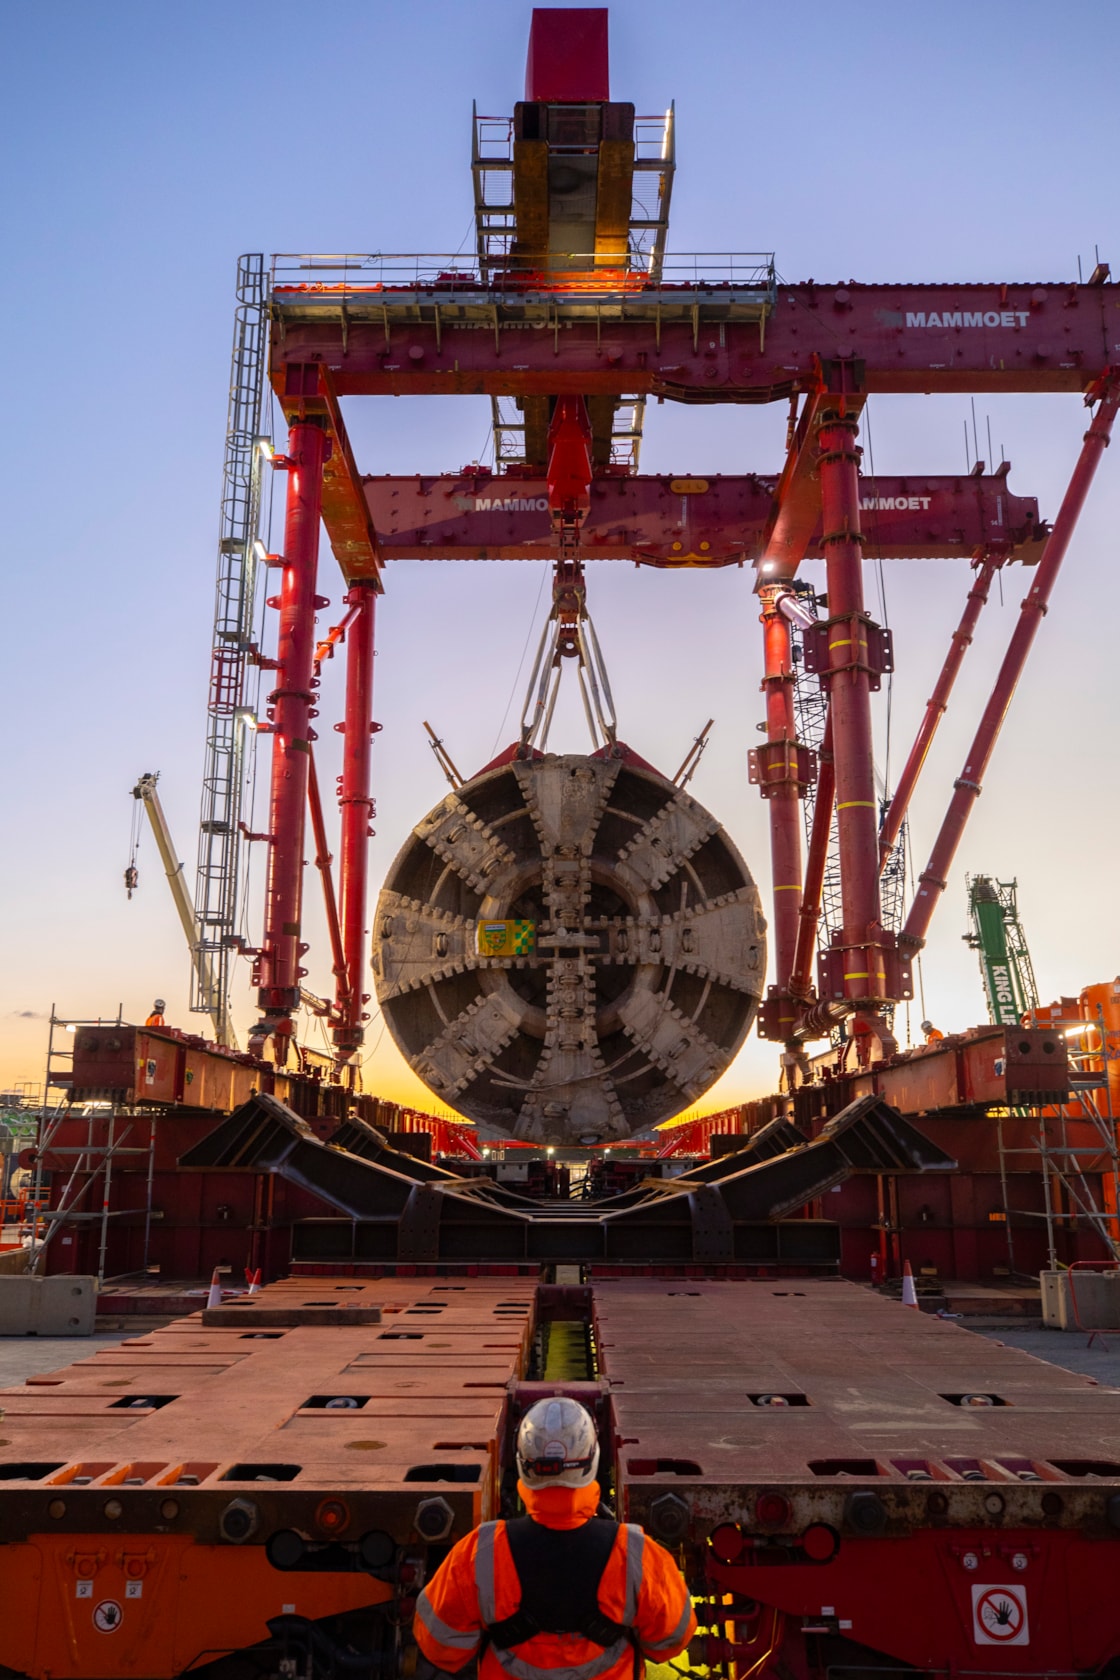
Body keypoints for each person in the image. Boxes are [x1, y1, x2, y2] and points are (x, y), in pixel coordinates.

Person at [415, 1397, 696, 1680]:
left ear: (523, 1464)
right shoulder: (637, 1555)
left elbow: (440, 1647)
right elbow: (671, 1641)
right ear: (592, 1460)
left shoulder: (480, 1553)